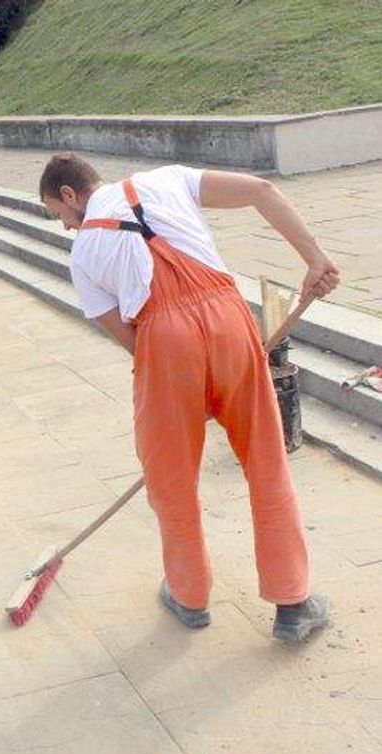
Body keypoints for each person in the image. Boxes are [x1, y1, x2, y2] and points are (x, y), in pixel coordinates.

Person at [37, 153, 340, 642]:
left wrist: (179, 380)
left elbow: (131, 341)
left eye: (60, 215)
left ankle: (189, 595)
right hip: (229, 320)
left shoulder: (83, 254)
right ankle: (293, 603)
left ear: (69, 194)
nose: (68, 226)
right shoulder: (167, 181)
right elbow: (261, 190)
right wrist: (315, 260)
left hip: (162, 341)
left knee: (170, 477)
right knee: (265, 460)